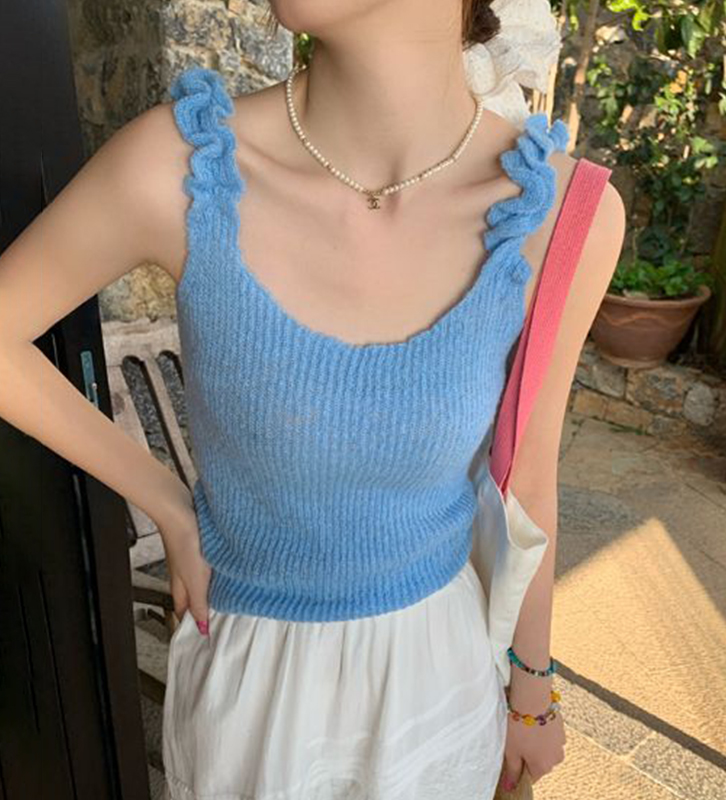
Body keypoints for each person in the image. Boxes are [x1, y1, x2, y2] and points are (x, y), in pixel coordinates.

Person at [0, 0, 625, 797]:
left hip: (440, 687)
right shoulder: (179, 167)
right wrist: (165, 500)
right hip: (252, 701)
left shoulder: (563, 215)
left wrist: (531, 691)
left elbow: (529, 479)